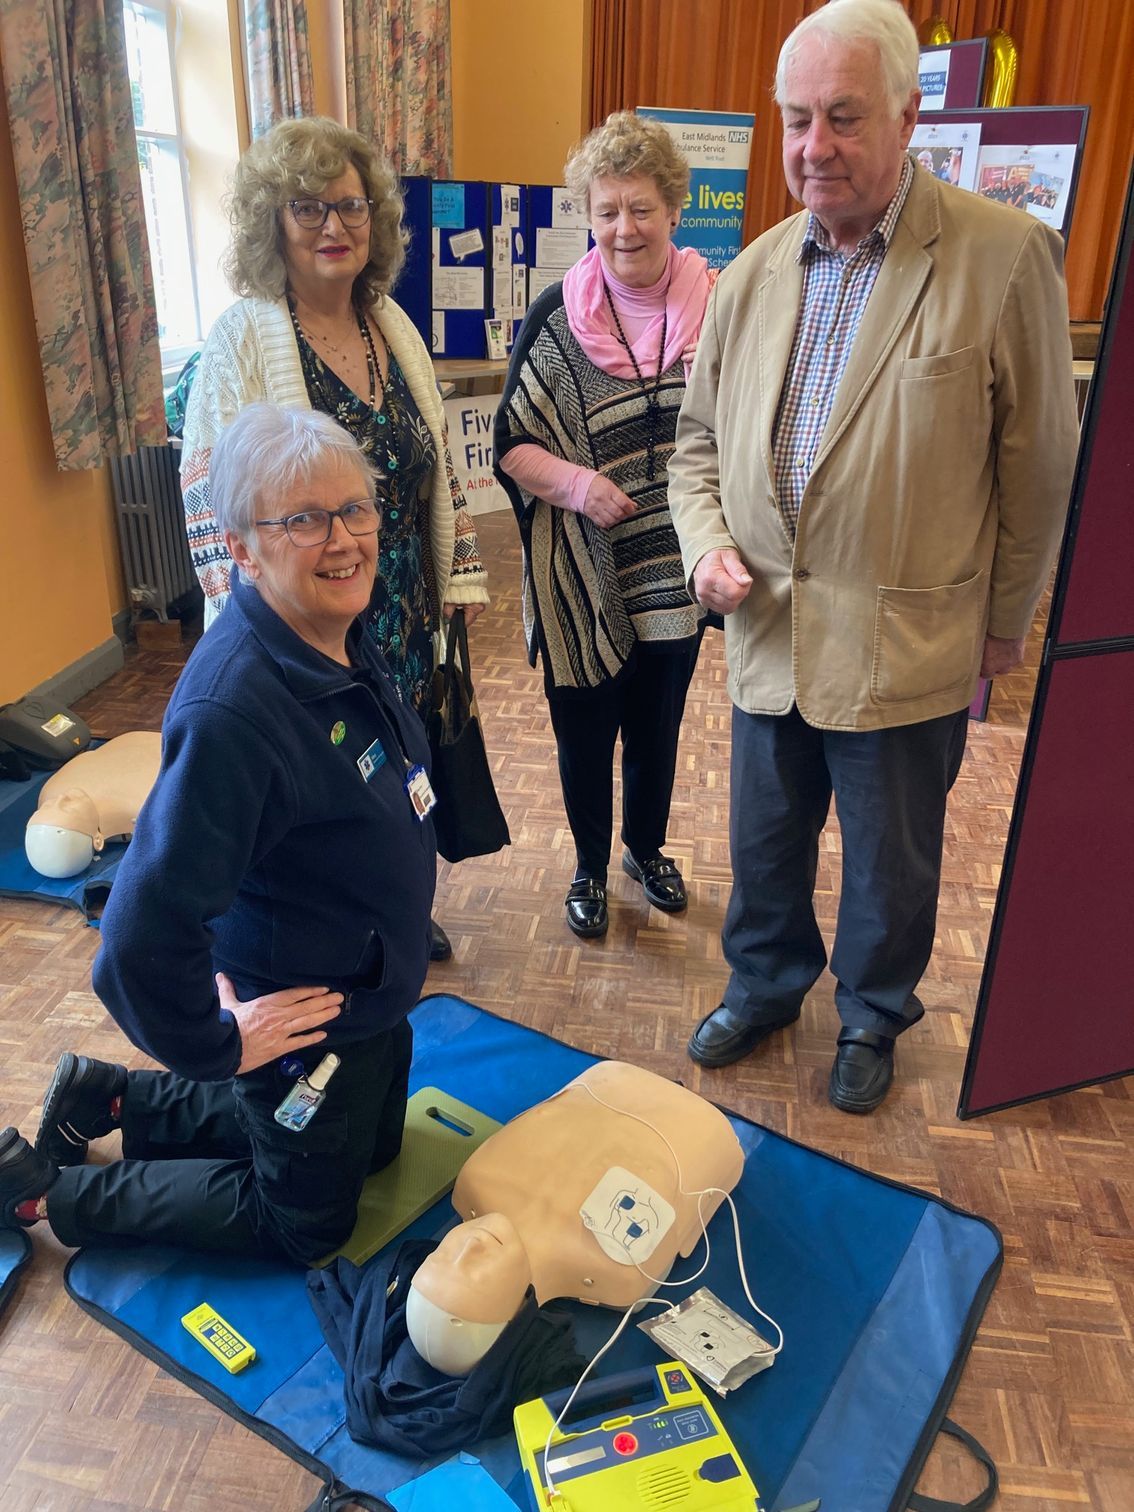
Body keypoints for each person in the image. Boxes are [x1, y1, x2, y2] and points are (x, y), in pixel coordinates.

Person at [667, 0, 1079, 1113]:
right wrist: (705, 543)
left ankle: (875, 1013)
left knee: (893, 865)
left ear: (908, 115)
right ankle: (763, 986)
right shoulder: (750, 273)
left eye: (843, 118)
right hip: (765, 632)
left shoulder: (1001, 258)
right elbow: (697, 445)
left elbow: (1040, 466)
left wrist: (1007, 624)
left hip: (909, 638)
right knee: (762, 841)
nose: (815, 147)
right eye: (798, 119)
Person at [0, 406, 436, 1260]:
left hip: (366, 991)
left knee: (377, 1148)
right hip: (300, 1018)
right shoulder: (235, 711)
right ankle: (49, 1197)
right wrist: (215, 1042)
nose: (344, 537)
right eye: (304, 519)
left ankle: (114, 1101)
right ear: (241, 547)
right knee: (306, 1225)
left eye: (356, 507)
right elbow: (137, 936)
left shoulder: (332, 626)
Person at [181, 115, 489, 962]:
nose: (333, 227)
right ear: (271, 222)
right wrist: (250, 627)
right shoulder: (244, 338)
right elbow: (210, 493)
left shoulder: (392, 326)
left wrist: (451, 588)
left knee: (394, 768)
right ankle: (326, 925)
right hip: (306, 618)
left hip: (398, 610)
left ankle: (395, 902)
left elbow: (434, 469)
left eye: (351, 208)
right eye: (308, 208)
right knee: (320, 775)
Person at [494, 112, 713, 940]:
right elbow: (512, 442)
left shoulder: (714, 306)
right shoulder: (558, 313)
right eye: (608, 208)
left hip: (676, 567)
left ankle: (645, 848)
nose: (624, 227)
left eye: (641, 207)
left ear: (673, 209)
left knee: (657, 728)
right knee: (585, 728)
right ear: (589, 213)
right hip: (582, 569)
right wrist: (581, 486)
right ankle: (588, 865)